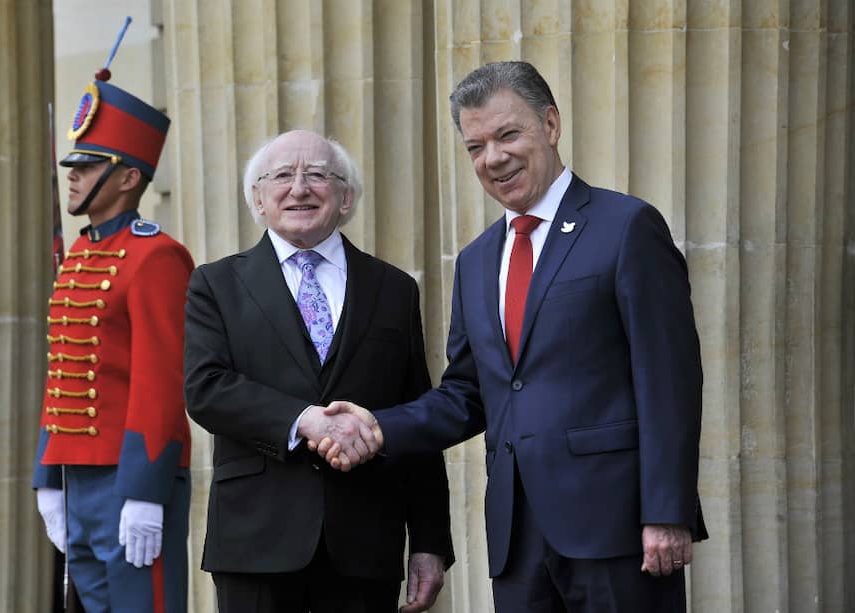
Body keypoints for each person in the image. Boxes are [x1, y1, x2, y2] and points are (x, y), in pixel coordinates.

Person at [315, 61, 708, 612]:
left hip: (617, 529)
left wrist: (667, 512)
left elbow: (669, 380)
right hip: (517, 540)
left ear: (551, 125)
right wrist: (379, 426)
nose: (493, 158)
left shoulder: (626, 228)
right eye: (475, 146)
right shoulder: (476, 261)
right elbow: (467, 394)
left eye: (507, 135)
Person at [182, 129, 455, 613]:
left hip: (366, 541)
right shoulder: (215, 284)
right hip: (255, 541)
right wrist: (304, 419)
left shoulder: (392, 288)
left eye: (318, 175)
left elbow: (418, 415)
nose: (300, 188)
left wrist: (431, 540)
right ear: (258, 198)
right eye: (282, 176)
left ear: (346, 196)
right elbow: (206, 388)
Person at [33, 69, 194, 612]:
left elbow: (162, 381)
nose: (73, 178)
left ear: (127, 178)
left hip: (129, 478)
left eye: (88, 167)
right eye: (73, 167)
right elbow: (61, 369)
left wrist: (145, 490)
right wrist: (46, 474)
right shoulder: (78, 256)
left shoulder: (157, 256)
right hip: (76, 474)